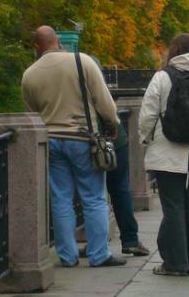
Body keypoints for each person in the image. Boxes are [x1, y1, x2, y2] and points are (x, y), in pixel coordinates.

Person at [21, 26, 127, 268]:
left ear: (36, 47)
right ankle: (99, 255)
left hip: (51, 142)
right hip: (83, 139)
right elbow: (104, 101)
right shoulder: (82, 62)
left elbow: (31, 113)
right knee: (93, 198)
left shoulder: (30, 74)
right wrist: (112, 124)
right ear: (57, 41)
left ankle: (67, 256)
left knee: (61, 199)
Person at [138, 34, 189, 277]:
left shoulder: (162, 77)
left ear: (172, 51)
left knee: (173, 207)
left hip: (167, 155)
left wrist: (145, 140)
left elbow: (147, 116)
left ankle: (176, 263)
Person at [86, 58, 150, 259]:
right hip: (111, 140)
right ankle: (130, 240)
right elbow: (109, 112)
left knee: (87, 194)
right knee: (119, 188)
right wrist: (114, 124)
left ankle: (89, 243)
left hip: (80, 140)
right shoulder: (92, 77)